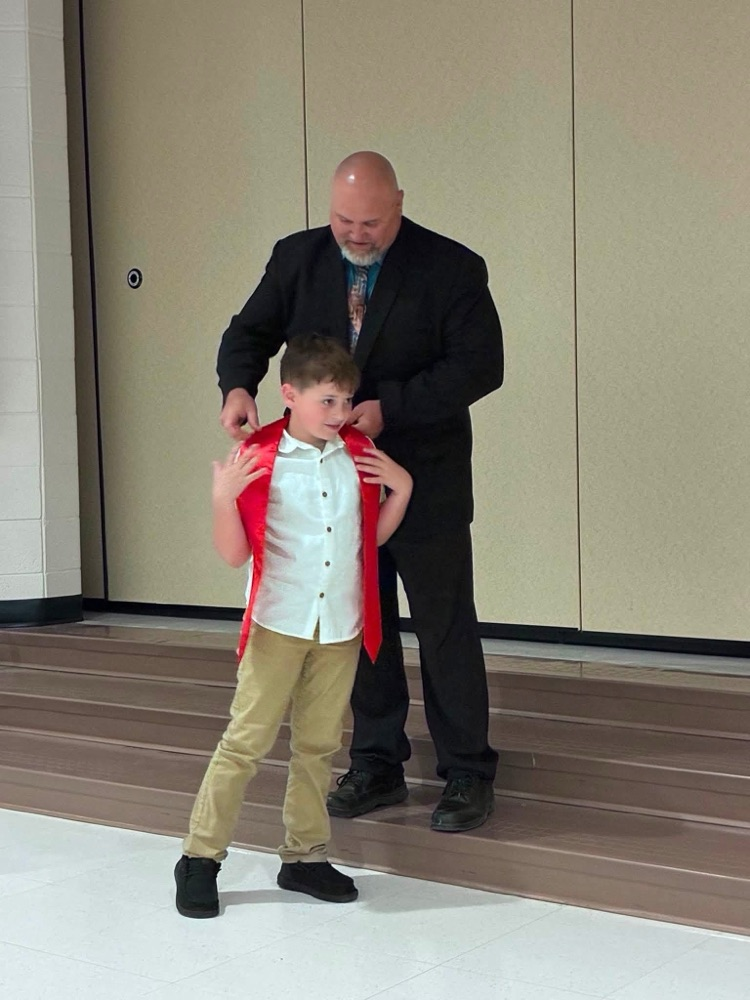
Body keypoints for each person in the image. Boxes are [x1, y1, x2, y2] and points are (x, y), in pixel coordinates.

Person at [217, 151, 504, 834]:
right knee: (361, 624)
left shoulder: (451, 267)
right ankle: (376, 762)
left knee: (444, 624)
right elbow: (247, 332)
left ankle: (466, 770)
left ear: (398, 204)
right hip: (331, 488)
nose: (355, 232)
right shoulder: (297, 258)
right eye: (343, 218)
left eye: (370, 221)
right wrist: (235, 385)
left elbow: (480, 365)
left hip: (421, 478)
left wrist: (388, 408)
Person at [175, 334, 412, 918]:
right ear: (290, 394)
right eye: (327, 401)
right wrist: (222, 499)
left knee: (318, 744)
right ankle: (200, 857)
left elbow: (367, 543)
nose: (340, 413)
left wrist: (401, 489)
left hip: (340, 625)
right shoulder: (258, 455)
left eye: (346, 400)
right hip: (279, 620)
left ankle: (304, 857)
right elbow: (234, 556)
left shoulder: (358, 454)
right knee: (246, 741)